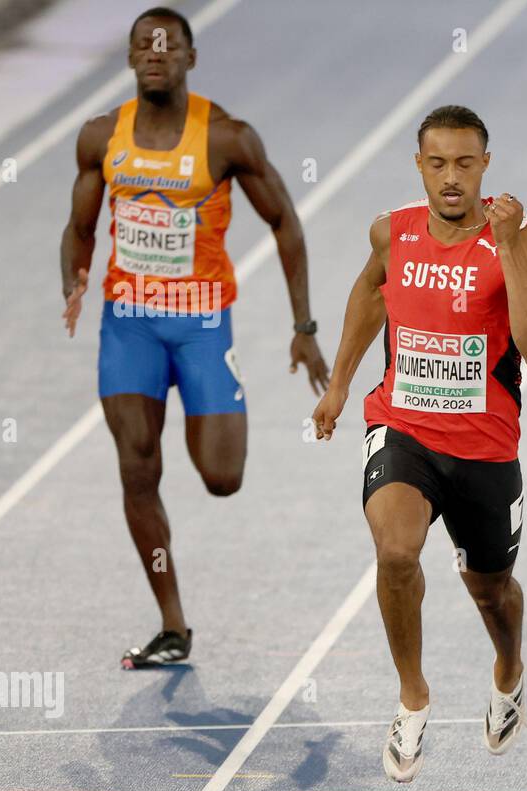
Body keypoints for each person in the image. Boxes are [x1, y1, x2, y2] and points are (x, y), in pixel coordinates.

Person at [60, 7, 329, 668]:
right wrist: (74, 279)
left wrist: (303, 327)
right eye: (144, 46)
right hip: (130, 325)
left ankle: (199, 408)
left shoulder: (228, 139)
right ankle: (173, 622)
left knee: (221, 477)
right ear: (128, 59)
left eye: (169, 45)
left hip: (204, 324)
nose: (156, 54)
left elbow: (286, 223)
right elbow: (81, 226)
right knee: (136, 462)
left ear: (191, 58)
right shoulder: (100, 139)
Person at [311, 106, 527, 783]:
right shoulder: (393, 233)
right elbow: (369, 295)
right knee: (396, 551)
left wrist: (505, 246)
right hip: (404, 429)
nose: (451, 178)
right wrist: (338, 387)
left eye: (465, 164)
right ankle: (412, 696)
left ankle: (509, 669)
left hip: (483, 449)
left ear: (485, 166)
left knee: (491, 589)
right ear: (419, 165)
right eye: (438, 163)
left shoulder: (525, 241)